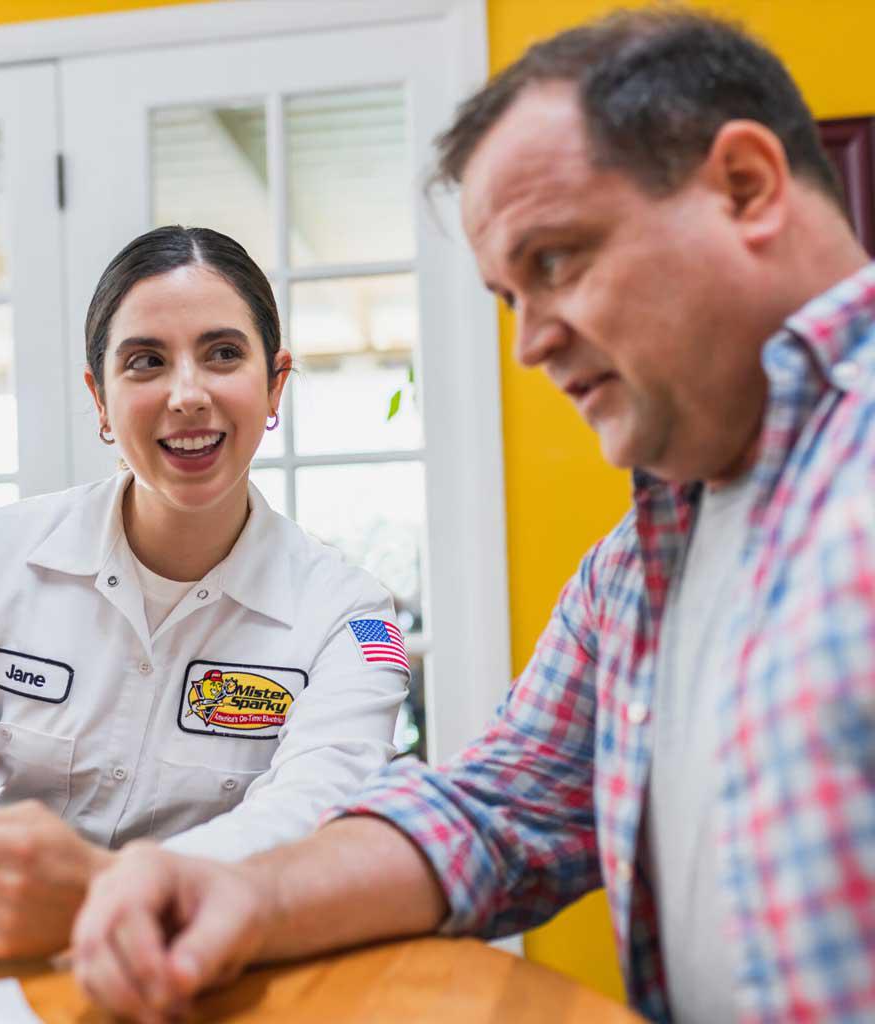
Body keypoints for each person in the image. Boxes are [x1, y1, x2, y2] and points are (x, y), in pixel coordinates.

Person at [70, 10, 875, 1024]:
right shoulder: (632, 570)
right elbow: (496, 810)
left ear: (744, 188)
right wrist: (247, 889)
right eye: (506, 296)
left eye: (555, 261)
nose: (530, 344)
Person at [0, 226, 410, 958]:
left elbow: (314, 813)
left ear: (275, 383)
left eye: (223, 353)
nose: (187, 395)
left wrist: (103, 889)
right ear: (99, 398)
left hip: (215, 966)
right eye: (145, 361)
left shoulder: (347, 618)